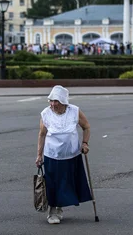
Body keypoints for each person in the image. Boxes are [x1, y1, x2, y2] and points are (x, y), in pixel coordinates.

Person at [36, 86, 92, 225]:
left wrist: (85, 143)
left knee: (66, 184)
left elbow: (86, 127)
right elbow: (42, 135)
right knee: (52, 184)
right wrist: (39, 155)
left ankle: (59, 207)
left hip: (71, 155)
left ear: (63, 101)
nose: (53, 104)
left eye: (56, 101)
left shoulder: (74, 111)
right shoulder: (46, 113)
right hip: (52, 155)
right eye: (51, 101)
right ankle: (52, 211)